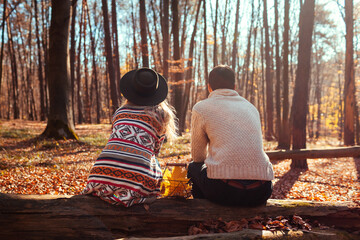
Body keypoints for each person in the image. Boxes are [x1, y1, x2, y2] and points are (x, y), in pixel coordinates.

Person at [81, 68, 177, 207]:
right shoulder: (159, 115)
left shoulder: (120, 112)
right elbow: (155, 151)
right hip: (138, 178)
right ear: (156, 94)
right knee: (154, 163)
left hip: (99, 176)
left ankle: (112, 187)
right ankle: (132, 191)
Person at [187, 65, 274, 207]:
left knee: (193, 167)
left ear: (209, 87)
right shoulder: (251, 107)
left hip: (224, 190)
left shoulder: (201, 108)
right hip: (261, 190)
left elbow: (198, 157)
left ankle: (203, 215)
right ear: (234, 86)